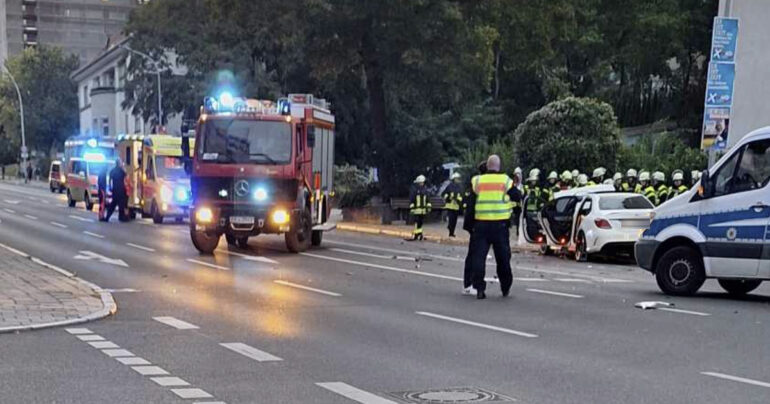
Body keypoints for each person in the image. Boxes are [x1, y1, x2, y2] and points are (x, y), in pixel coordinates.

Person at [469, 154, 520, 299]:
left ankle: (479, 288)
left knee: (479, 257)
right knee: (503, 258)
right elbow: (517, 196)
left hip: (481, 225)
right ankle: (505, 287)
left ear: (487, 166)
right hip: (500, 225)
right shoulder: (505, 180)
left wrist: (469, 224)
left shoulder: (477, 181)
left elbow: (471, 204)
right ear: (499, 167)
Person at [462, 161, 486, 295]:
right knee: (475, 255)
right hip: (479, 224)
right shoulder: (480, 184)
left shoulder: (477, 183)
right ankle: (470, 283)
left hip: (478, 224)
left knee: (475, 254)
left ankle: (471, 283)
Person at [408, 175, 431, 241]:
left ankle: (420, 234)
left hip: (423, 210)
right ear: (418, 182)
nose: (422, 183)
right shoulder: (414, 189)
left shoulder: (425, 190)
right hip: (416, 209)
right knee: (417, 222)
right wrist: (412, 208)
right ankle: (416, 235)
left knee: (420, 223)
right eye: (421, 182)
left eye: (422, 182)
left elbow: (428, 200)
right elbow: (412, 199)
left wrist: (428, 207)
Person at [442, 172, 463, 237]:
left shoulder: (460, 187)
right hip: (450, 206)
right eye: (457, 179)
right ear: (453, 179)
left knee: (454, 220)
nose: (458, 180)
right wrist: (449, 198)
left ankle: (452, 232)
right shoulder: (449, 186)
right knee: (451, 219)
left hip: (456, 206)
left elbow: (461, 196)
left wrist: (458, 200)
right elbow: (444, 194)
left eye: (458, 179)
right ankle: (450, 230)